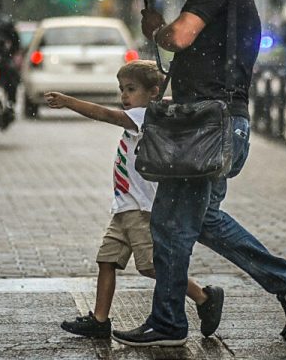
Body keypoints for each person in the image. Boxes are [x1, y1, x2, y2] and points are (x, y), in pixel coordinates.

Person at [111, 0, 286, 347]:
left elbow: (181, 36)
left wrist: (157, 30)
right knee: (202, 219)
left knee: (169, 224)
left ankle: (167, 324)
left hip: (208, 129)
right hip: (221, 125)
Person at [45, 60, 224, 340]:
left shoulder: (145, 116)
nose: (124, 96)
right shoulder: (145, 112)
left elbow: (105, 114)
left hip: (143, 209)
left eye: (131, 89)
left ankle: (203, 297)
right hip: (123, 209)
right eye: (122, 89)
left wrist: (69, 101)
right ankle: (99, 320)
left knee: (152, 266)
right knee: (107, 260)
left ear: (152, 92)